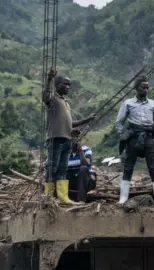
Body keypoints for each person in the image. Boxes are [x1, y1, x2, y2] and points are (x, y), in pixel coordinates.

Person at [42, 68, 96, 205]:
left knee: (62, 169)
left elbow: (71, 123)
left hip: (66, 139)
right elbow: (45, 97)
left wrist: (86, 120)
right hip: (55, 139)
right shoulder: (53, 99)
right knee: (52, 169)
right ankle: (48, 197)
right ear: (57, 85)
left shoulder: (65, 102)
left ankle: (63, 197)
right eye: (65, 84)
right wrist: (49, 79)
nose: (67, 87)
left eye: (69, 85)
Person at [115, 76, 154, 205]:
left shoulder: (152, 104)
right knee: (128, 167)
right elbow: (119, 122)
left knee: (153, 168)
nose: (146, 90)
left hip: (149, 137)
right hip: (133, 137)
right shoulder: (128, 103)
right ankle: (123, 199)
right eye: (143, 87)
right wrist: (124, 133)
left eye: (147, 87)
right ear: (136, 88)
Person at [67, 129, 96, 202]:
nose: (75, 139)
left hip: (86, 180)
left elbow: (87, 163)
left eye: (77, 137)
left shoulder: (86, 150)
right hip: (71, 180)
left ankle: (81, 199)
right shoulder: (65, 152)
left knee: (83, 168)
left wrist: (80, 151)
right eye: (72, 137)